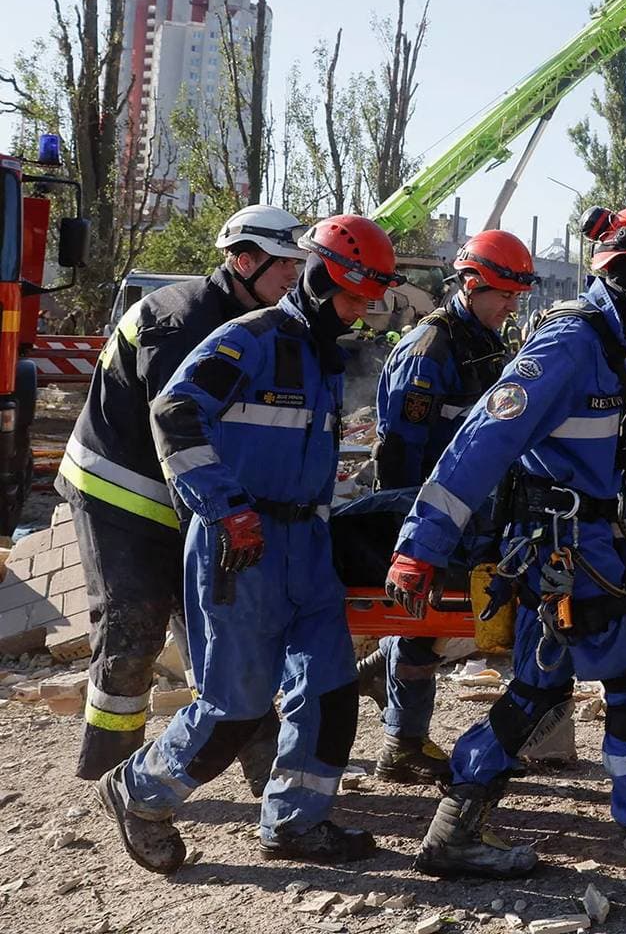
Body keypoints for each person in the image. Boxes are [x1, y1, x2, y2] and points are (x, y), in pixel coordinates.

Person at [385, 206, 626, 894]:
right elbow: (477, 447)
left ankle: (456, 828)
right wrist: (419, 547)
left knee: (536, 690)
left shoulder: (622, 353)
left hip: (584, 553)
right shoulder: (567, 346)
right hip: (560, 556)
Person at [96, 215, 402, 874]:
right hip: (241, 547)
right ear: (321, 281)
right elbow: (174, 414)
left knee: (327, 689)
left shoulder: (322, 355)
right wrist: (225, 507)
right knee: (234, 706)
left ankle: (295, 822)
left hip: (306, 546)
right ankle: (138, 790)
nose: (358, 311)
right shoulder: (249, 339)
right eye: (351, 296)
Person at [59, 205, 308, 783]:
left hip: (192, 493)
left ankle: (264, 768)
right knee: (135, 622)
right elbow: (179, 430)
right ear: (245, 261)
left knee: (220, 624)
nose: (294, 278)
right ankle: (110, 770)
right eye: (285, 265)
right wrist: (223, 515)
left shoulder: (262, 323)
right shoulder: (182, 320)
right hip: (120, 489)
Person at [359, 230, 535, 785]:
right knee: (421, 626)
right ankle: (401, 739)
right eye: (502, 295)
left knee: (431, 629)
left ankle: (391, 711)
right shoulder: (428, 352)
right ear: (470, 283)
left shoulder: (485, 340)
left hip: (477, 512)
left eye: (514, 296)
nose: (510, 307)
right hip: (433, 513)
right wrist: (417, 535)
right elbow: (403, 454)